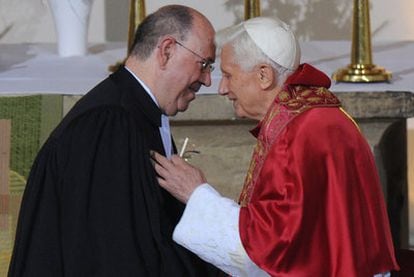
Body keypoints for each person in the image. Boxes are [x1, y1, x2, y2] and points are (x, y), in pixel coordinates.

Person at [152, 16, 400, 276]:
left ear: (263, 75)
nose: (222, 88)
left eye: (228, 75)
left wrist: (197, 195)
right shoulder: (313, 114)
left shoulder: (300, 133)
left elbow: (270, 247)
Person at [8, 5, 222, 276]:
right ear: (167, 50)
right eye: (204, 64)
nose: (206, 79)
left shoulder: (133, 112)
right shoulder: (107, 125)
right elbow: (111, 254)